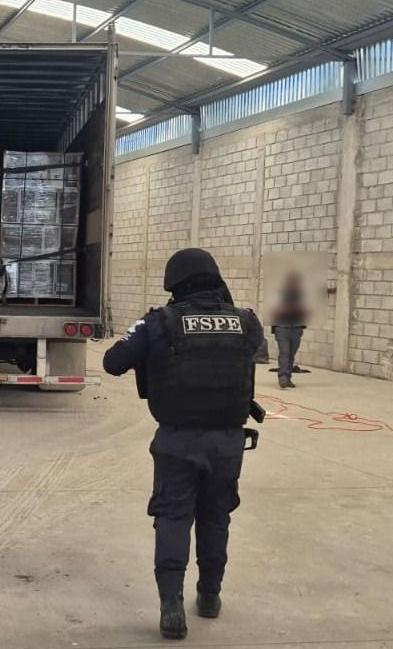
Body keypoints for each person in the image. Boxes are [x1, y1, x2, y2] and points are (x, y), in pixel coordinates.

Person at [102, 248, 262, 640]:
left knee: (173, 517)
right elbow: (254, 351)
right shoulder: (246, 321)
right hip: (228, 441)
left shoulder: (158, 321)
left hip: (177, 439)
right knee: (216, 517)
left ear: (174, 282)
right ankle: (209, 596)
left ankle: (171, 605)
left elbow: (112, 362)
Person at [270, 271, 308, 389]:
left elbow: (306, 311)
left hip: (296, 327)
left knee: (291, 353)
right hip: (282, 327)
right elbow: (276, 311)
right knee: (284, 352)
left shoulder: (302, 296)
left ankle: (288, 377)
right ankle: (283, 376)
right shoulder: (279, 295)